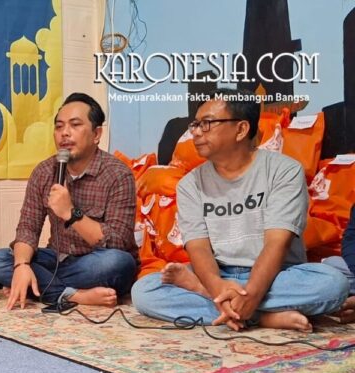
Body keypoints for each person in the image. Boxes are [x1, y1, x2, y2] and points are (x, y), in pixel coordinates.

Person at [132, 88, 348, 332]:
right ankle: (264, 317)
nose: (196, 132)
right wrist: (215, 285)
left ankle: (219, 302)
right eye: (195, 124)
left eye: (207, 123)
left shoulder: (284, 171)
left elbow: (276, 244)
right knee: (145, 291)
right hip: (219, 272)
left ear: (241, 129)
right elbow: (198, 247)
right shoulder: (190, 184)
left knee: (333, 283)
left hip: (277, 275)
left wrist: (250, 293)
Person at [0, 93, 138, 310]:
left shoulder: (118, 174)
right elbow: (28, 229)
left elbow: (118, 242)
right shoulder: (44, 171)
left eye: (75, 125)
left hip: (96, 262)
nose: (64, 133)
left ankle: (39, 285)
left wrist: (71, 213)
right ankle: (74, 295)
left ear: (96, 134)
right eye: (59, 127)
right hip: (56, 258)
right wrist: (21, 265)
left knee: (118, 263)